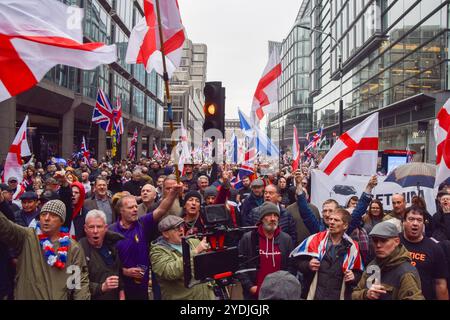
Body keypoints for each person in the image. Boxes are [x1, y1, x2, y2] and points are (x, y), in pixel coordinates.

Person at [0, 197, 90, 299]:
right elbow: (5, 227)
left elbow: (79, 283)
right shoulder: (26, 237)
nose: (46, 218)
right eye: (43, 214)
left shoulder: (73, 248)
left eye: (53, 215)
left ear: (61, 221)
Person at [109, 182, 183, 300]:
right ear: (121, 211)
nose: (135, 210)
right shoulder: (111, 231)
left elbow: (161, 209)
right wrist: (124, 271)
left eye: (135, 206)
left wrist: (173, 192)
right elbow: (107, 261)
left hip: (141, 286)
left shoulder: (142, 223)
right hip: (121, 287)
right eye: (130, 207)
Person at [292, 208, 363, 300]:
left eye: (336, 220)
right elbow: (295, 261)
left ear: (345, 225)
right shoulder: (315, 240)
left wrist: (353, 277)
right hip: (314, 296)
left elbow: (359, 273)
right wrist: (308, 265)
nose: (331, 222)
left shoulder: (353, 247)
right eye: (330, 219)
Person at [237, 202, 295, 300]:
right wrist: (250, 287)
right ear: (262, 219)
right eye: (269, 215)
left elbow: (291, 266)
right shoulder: (248, 238)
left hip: (279, 294)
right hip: (255, 294)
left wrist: (285, 286)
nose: (273, 219)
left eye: (275, 216)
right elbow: (240, 265)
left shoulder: (286, 239)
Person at [352, 221, 424, 300]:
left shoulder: (405, 272)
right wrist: (366, 294)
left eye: (383, 240)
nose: (378, 245)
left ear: (396, 241)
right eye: (375, 241)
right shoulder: (373, 266)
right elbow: (355, 294)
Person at [150, 215, 216, 300]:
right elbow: (169, 272)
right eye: (176, 228)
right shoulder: (157, 252)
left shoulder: (194, 242)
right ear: (165, 234)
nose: (181, 229)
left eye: (182, 226)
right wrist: (195, 252)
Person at [400, 206, 448, 300]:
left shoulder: (435, 248)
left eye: (419, 220)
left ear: (423, 224)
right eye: (411, 219)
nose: (415, 223)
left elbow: (440, 284)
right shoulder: (394, 242)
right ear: (403, 222)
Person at [79, 210, 125, 300]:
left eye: (99, 227)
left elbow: (118, 271)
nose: (95, 231)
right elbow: (74, 283)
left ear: (105, 228)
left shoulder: (111, 245)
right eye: (91, 227)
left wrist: (121, 292)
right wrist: (101, 287)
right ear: (85, 229)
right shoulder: (78, 250)